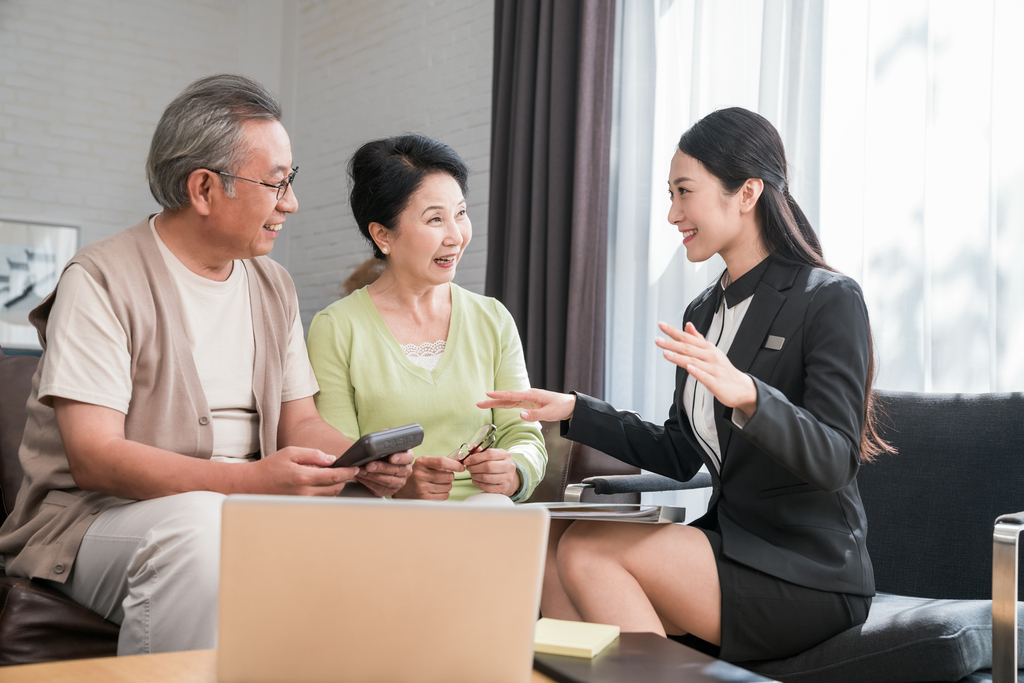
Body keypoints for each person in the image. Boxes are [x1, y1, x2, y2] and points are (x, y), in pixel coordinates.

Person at [0, 75, 413, 655]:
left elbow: (301, 423)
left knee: (391, 528)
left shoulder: (275, 286)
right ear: (203, 188)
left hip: (241, 509)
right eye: (275, 183)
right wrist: (248, 484)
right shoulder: (99, 280)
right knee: (200, 528)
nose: (289, 203)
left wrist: (349, 463)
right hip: (97, 523)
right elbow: (95, 457)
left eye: (289, 182)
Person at [479, 107, 891, 662]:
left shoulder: (828, 298)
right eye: (670, 195)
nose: (673, 214)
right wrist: (575, 410)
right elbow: (677, 452)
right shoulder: (706, 307)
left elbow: (836, 457)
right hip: (731, 547)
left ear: (747, 192)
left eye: (683, 192)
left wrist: (747, 393)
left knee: (589, 553)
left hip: (808, 571)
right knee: (556, 559)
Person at [307, 134, 546, 502]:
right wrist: (401, 487)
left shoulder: (492, 319)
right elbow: (337, 458)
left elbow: (525, 436)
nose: (456, 236)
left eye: (461, 214)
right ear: (383, 235)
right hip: (387, 522)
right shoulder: (337, 328)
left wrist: (514, 471)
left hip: (486, 511)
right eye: (435, 219)